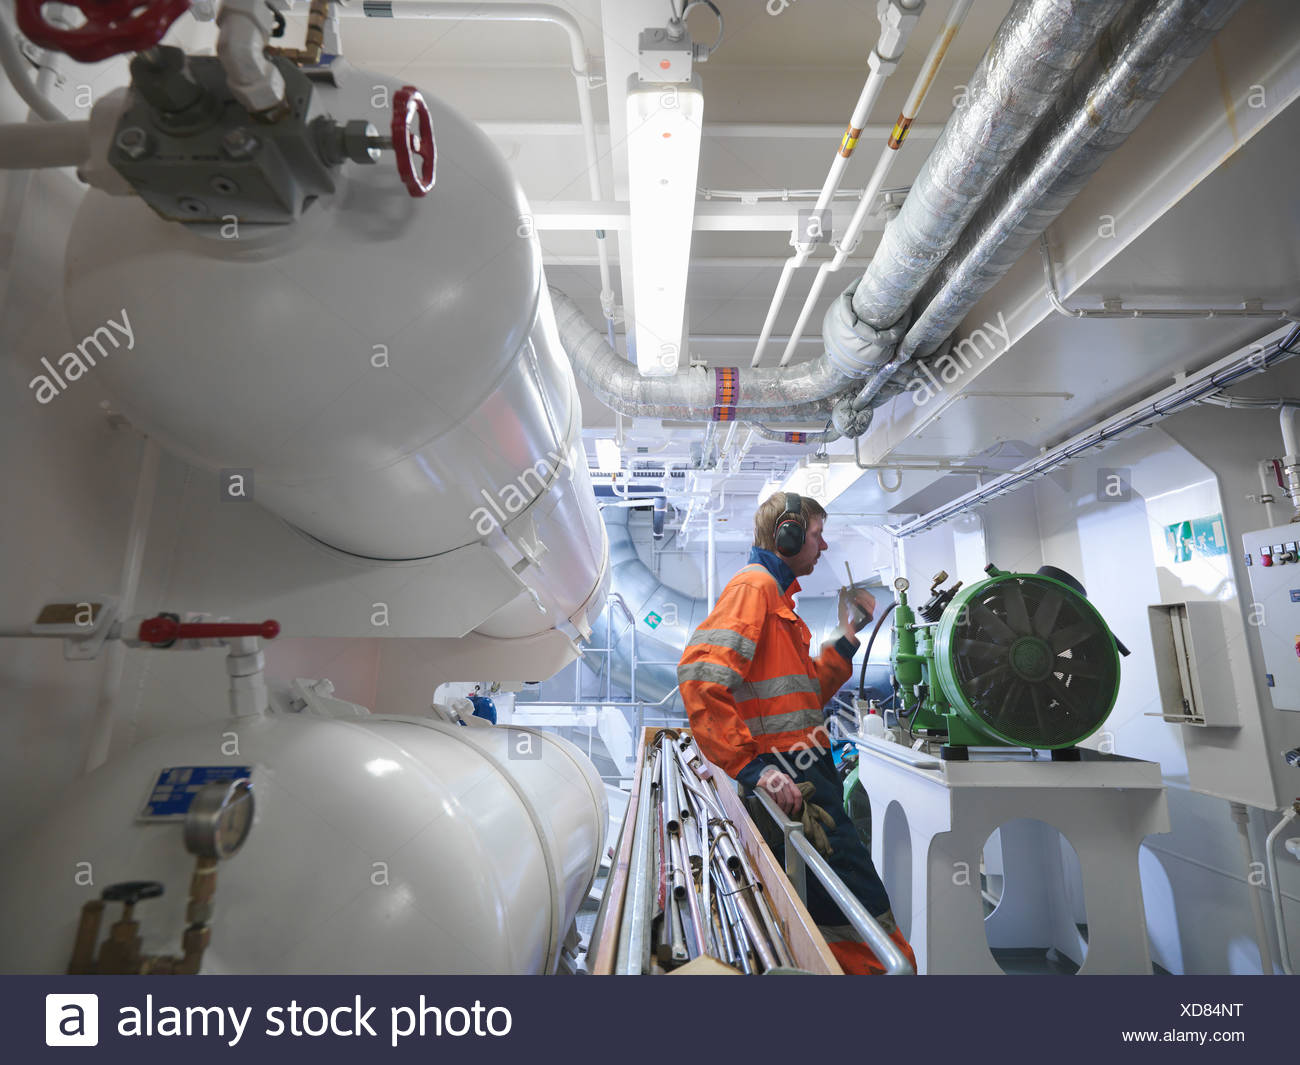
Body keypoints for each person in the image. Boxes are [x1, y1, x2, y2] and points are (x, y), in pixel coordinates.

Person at [676, 492, 916, 975]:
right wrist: (752, 769)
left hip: (808, 774)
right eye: (815, 535)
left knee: (833, 908)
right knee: (858, 911)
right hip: (792, 782)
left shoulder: (778, 601)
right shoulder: (754, 588)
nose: (823, 546)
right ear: (785, 534)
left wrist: (848, 637)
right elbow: (699, 677)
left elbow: (803, 692)